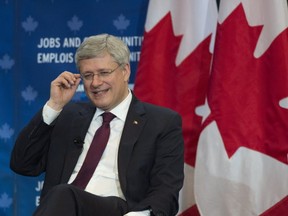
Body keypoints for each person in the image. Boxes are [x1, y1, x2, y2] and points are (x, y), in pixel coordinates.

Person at [10, 34, 184, 216]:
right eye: (88, 75)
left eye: (103, 73)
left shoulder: (161, 122)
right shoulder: (70, 116)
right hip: (64, 208)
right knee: (64, 194)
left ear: (125, 71)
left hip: (120, 210)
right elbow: (23, 164)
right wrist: (54, 105)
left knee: (65, 192)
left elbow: (166, 192)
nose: (95, 83)